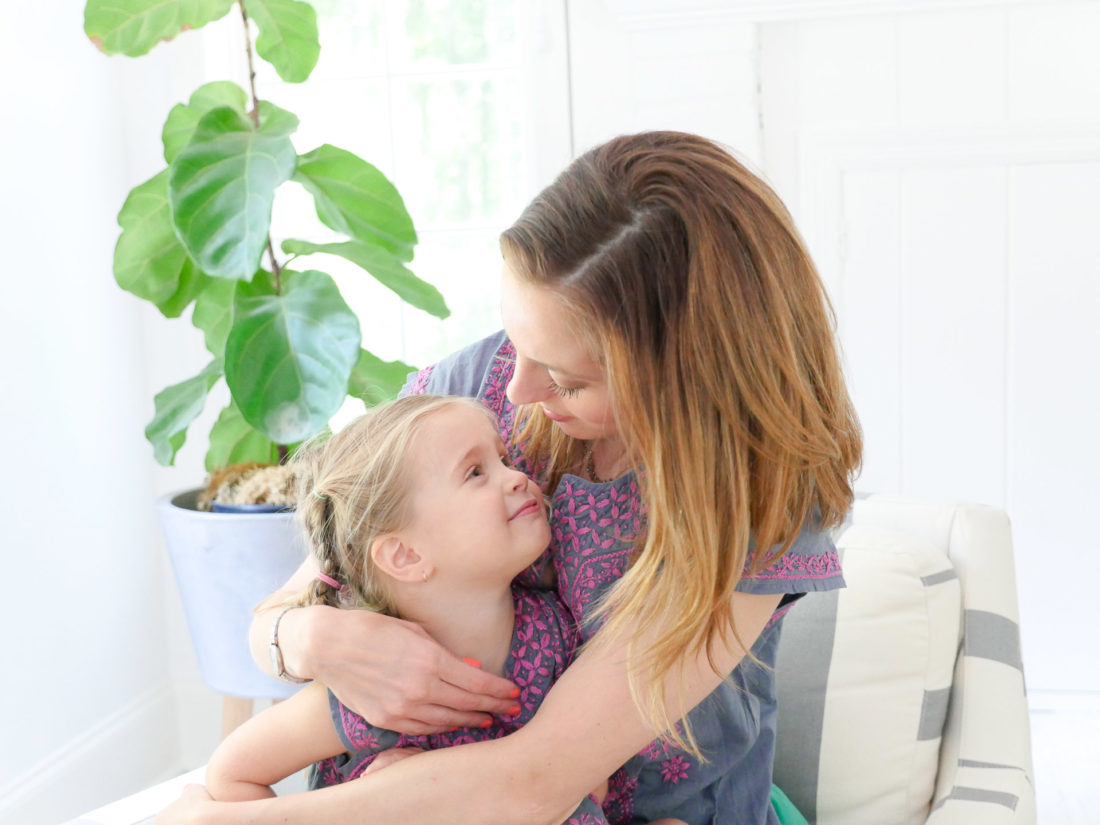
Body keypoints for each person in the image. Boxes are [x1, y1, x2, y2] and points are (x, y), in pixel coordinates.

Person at [157, 130, 861, 825]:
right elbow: (280, 614)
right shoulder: (478, 391)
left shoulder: (755, 502)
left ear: (679, 377)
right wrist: (313, 639)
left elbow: (534, 782)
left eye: (564, 377)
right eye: (515, 340)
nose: (517, 390)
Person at [196, 394, 630, 824]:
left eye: (503, 459)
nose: (517, 477)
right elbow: (230, 776)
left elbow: (591, 782)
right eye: (475, 472)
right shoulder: (369, 685)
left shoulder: (554, 632)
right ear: (404, 555)